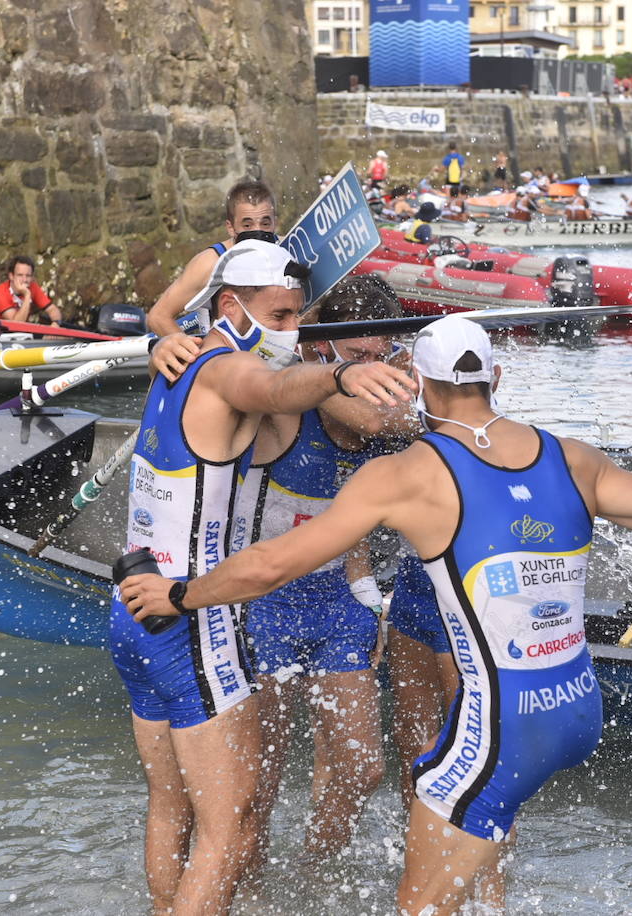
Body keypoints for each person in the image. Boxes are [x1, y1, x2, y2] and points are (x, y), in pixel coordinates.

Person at [120, 315, 632, 915]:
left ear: (415, 382)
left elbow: (271, 566)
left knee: (420, 905)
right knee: (475, 830)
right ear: (497, 380)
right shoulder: (573, 459)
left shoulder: (406, 475)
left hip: (503, 725)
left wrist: (179, 595)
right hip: (578, 711)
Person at [111, 240, 416, 915]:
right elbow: (275, 388)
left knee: (174, 805)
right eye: (278, 318)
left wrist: (161, 332)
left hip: (131, 604)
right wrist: (338, 378)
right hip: (193, 614)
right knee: (233, 825)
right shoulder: (223, 371)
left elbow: (257, 369)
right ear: (229, 307)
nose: (290, 334)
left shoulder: (177, 355)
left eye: (296, 320)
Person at [239, 275, 417, 867]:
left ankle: (314, 878)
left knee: (363, 768)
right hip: (261, 606)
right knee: (256, 786)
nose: (376, 372)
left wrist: (371, 601)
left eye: (383, 356)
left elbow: (354, 531)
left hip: (338, 607)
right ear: (323, 352)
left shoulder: (387, 426)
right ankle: (250, 890)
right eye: (359, 357)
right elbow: (369, 419)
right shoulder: (288, 412)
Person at [143, 179, 278, 377]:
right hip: (222, 365)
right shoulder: (209, 263)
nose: (257, 231)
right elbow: (158, 316)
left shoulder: (286, 252)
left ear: (276, 223)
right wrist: (196, 361)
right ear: (231, 228)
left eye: (265, 223)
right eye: (247, 224)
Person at [0, 255, 62, 325]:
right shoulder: (0, 293)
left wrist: (56, 323)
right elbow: (16, 325)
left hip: (22, 334)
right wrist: (27, 295)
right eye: (20, 275)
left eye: (28, 276)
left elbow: (52, 309)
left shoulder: (33, 287)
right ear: (11, 276)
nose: (24, 280)